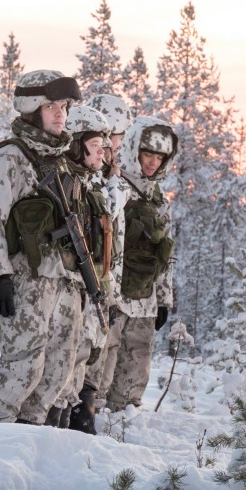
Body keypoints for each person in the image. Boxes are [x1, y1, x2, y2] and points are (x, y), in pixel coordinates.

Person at [0, 70, 86, 424]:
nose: (60, 113)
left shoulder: (63, 159)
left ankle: (27, 435)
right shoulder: (9, 158)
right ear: (31, 107)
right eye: (51, 105)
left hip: (63, 280)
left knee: (58, 367)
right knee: (22, 365)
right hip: (24, 278)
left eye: (64, 105)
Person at [98, 116, 177, 412]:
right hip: (113, 293)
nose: (153, 162)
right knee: (105, 359)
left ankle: (125, 419)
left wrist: (164, 300)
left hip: (144, 294)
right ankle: (92, 417)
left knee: (138, 360)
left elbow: (165, 251)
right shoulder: (114, 186)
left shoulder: (159, 198)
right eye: (148, 154)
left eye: (159, 157)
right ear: (134, 151)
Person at [66, 94, 133, 433]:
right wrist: (116, 182)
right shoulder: (90, 174)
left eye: (117, 139)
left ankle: (87, 407)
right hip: (84, 276)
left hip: (106, 275)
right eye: (107, 140)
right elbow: (106, 209)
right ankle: (77, 412)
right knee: (83, 345)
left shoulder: (107, 172)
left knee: (99, 343)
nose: (112, 147)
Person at [47, 104, 114, 429]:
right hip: (58, 287)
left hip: (83, 289)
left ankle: (63, 426)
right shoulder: (62, 182)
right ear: (77, 145)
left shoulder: (85, 186)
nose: (103, 153)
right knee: (58, 365)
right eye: (96, 146)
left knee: (75, 361)